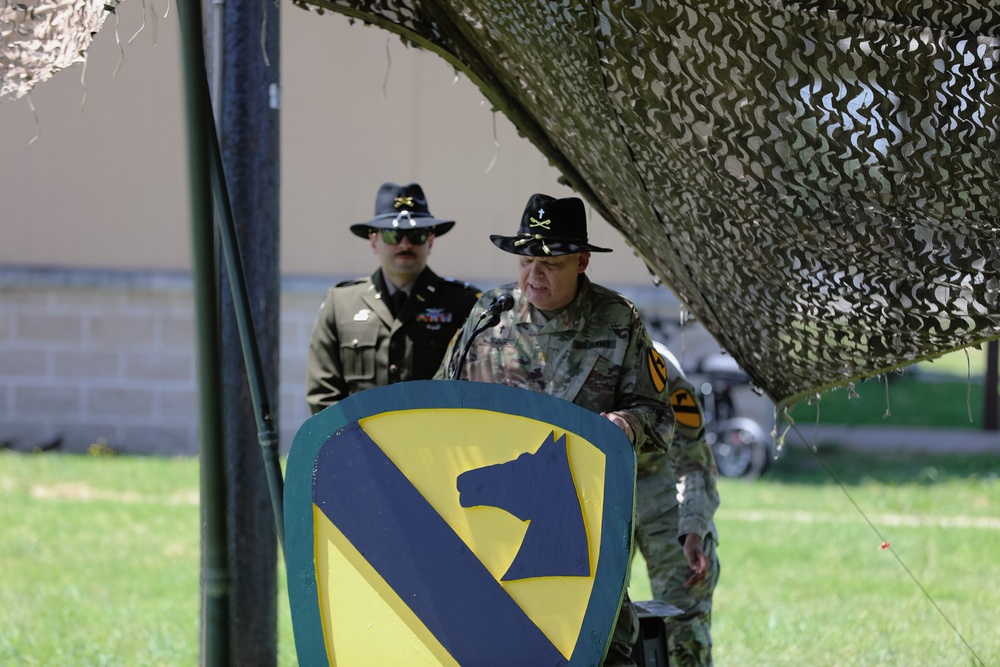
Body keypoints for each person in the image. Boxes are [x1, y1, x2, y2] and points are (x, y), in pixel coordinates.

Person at [436, 192, 676, 666]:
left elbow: (659, 417)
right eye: (526, 260)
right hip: (490, 523)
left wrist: (626, 424)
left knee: (597, 643)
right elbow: (440, 403)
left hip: (584, 517)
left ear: (583, 261)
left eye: (551, 262)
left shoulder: (617, 322)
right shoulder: (489, 315)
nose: (534, 274)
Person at [306, 182, 481, 414]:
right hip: (358, 445)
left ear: (430, 241)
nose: (405, 245)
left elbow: (475, 388)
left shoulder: (464, 304)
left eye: (416, 235)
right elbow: (324, 395)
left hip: (435, 444)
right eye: (393, 235)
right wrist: (352, 447)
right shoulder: (341, 303)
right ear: (373, 240)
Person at [635, 343, 720, 667]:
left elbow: (695, 462)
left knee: (685, 616)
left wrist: (693, 530)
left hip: (662, 487)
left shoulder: (660, 368)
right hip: (591, 492)